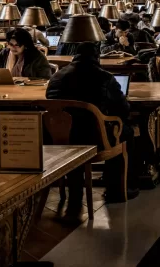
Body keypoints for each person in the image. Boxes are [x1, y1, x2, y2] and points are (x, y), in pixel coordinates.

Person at [46, 42, 137, 203]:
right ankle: (115, 188)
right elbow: (123, 109)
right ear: (97, 57)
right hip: (94, 137)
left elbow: (50, 102)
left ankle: (74, 191)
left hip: (60, 137)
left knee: (80, 129)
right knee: (126, 132)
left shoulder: (57, 76)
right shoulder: (104, 77)